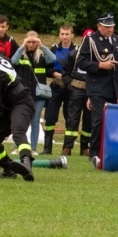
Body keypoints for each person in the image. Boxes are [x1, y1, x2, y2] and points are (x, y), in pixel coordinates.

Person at [77, 13, 118, 168]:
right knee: (98, 120)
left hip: (113, 87)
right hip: (96, 87)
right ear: (99, 26)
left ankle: (108, 151)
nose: (110, 30)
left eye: (112, 26)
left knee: (112, 121)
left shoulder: (116, 39)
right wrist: (99, 65)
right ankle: (94, 153)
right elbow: (80, 62)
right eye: (107, 27)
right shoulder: (90, 40)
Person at [11, 31, 56, 154]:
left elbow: (53, 58)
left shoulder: (41, 55)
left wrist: (41, 45)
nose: (31, 44)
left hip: (38, 95)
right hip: (23, 94)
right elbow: (13, 61)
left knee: (35, 120)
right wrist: (22, 46)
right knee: (21, 120)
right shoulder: (21, 54)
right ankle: (17, 147)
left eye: (33, 42)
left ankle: (33, 148)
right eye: (29, 42)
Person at [0, 53, 35, 181]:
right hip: (7, 104)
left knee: (18, 130)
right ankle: (8, 169)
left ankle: (26, 161)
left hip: (21, 102)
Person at [42, 24, 76, 154]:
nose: (65, 37)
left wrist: (67, 77)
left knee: (70, 118)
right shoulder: (54, 49)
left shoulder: (77, 50)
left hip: (70, 89)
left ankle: (67, 149)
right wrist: (54, 74)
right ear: (59, 35)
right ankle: (47, 149)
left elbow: (79, 69)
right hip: (55, 88)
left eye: (67, 34)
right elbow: (46, 68)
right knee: (50, 118)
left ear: (72, 35)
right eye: (62, 34)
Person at [61, 29, 94, 156]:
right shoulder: (74, 54)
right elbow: (65, 72)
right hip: (76, 90)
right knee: (72, 119)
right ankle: (67, 147)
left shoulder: (98, 57)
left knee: (89, 120)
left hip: (91, 91)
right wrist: (70, 85)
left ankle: (85, 147)